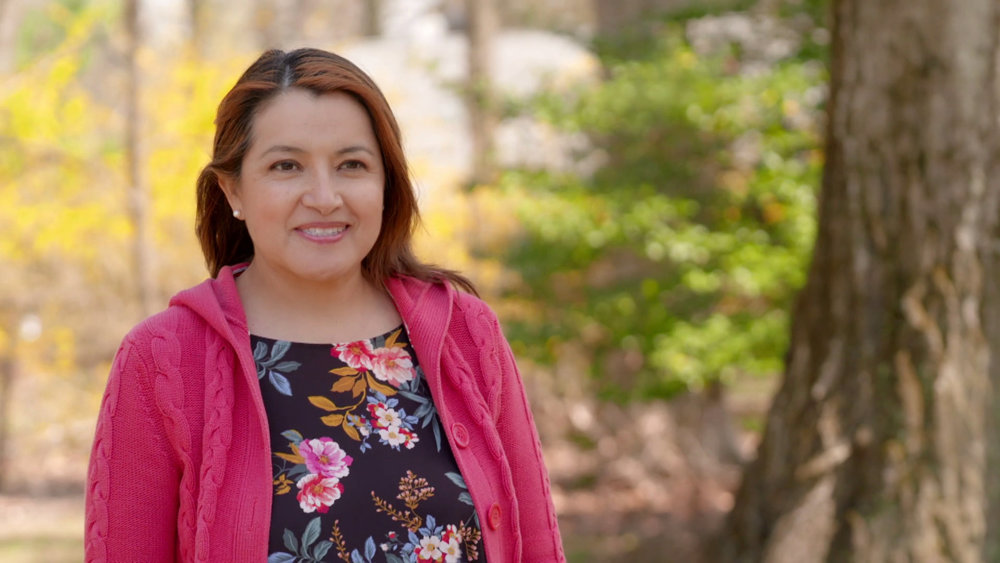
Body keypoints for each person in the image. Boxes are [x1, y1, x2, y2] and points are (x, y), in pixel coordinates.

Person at [85, 48, 565, 563]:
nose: (324, 197)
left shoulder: (465, 333)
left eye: (351, 165)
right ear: (233, 190)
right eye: (286, 166)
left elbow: (536, 546)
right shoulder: (163, 359)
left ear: (386, 184)